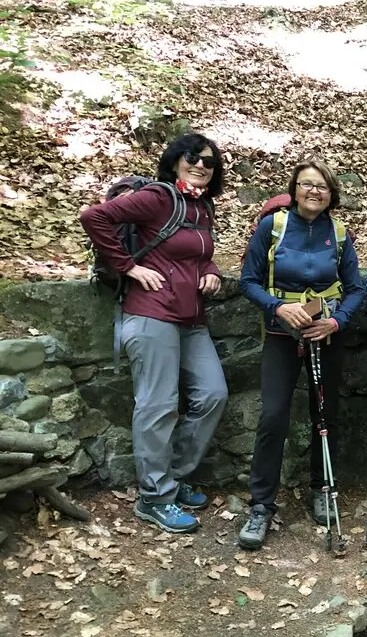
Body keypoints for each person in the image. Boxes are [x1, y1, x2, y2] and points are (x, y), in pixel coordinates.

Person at [79, 133, 228, 534]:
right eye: (192, 157)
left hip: (191, 319)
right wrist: (127, 266)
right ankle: (154, 496)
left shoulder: (202, 205)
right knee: (158, 405)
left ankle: (173, 476)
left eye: (209, 162)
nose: (200, 165)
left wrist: (211, 271)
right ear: (175, 160)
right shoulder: (160, 197)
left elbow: (199, 256)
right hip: (151, 314)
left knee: (213, 395)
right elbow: (95, 217)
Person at [235, 160, 366, 550]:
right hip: (281, 335)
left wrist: (337, 322)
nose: (315, 192)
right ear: (294, 190)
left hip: (325, 335)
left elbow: (356, 288)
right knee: (273, 415)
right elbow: (247, 281)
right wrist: (277, 306)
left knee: (325, 414)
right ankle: (261, 506)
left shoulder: (339, 233)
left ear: (331, 194)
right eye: (307, 185)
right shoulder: (272, 227)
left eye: (322, 186)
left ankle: (323, 488)